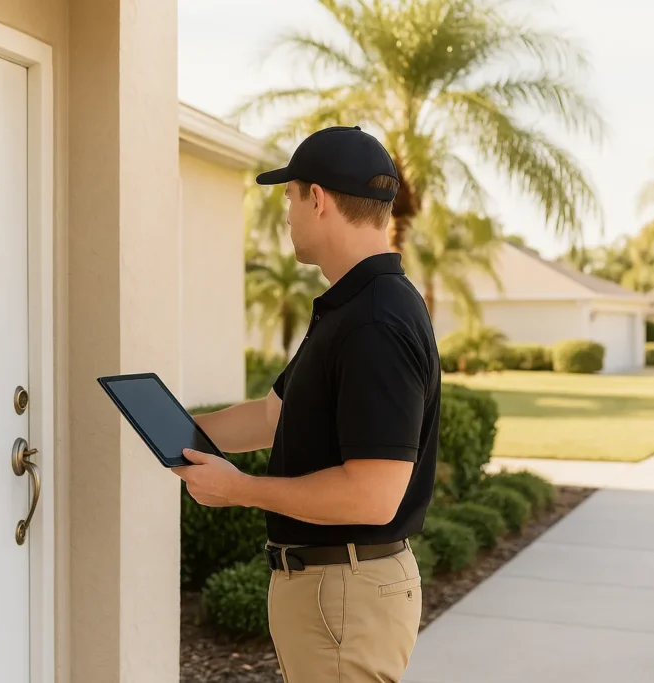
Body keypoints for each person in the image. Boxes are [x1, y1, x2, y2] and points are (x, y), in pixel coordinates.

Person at [173, 125, 440, 683]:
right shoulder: (353, 307)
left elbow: (373, 495)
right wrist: (176, 431)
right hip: (337, 594)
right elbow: (273, 416)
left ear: (316, 198)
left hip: (344, 594)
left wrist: (239, 490)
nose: (287, 215)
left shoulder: (374, 322)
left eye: (288, 197)